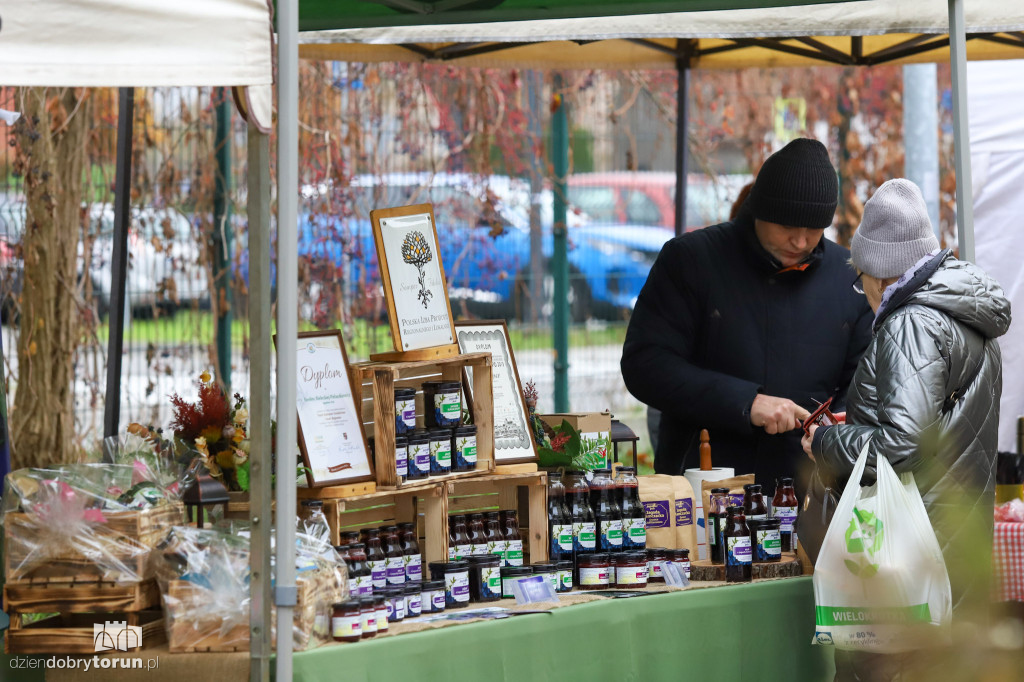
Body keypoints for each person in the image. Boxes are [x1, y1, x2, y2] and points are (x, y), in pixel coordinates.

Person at [801, 178, 1011, 680]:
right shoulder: (963, 315)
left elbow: (902, 444)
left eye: (861, 278)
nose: (863, 291)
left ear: (877, 273)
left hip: (906, 560)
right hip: (951, 543)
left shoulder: (911, 325)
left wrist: (826, 441)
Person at [621, 138, 873, 497]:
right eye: (788, 226)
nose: (801, 241)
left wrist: (833, 434)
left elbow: (865, 388)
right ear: (759, 209)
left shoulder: (849, 278)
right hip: (706, 490)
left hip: (811, 497)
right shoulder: (691, 261)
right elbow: (645, 365)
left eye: (815, 229)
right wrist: (745, 403)